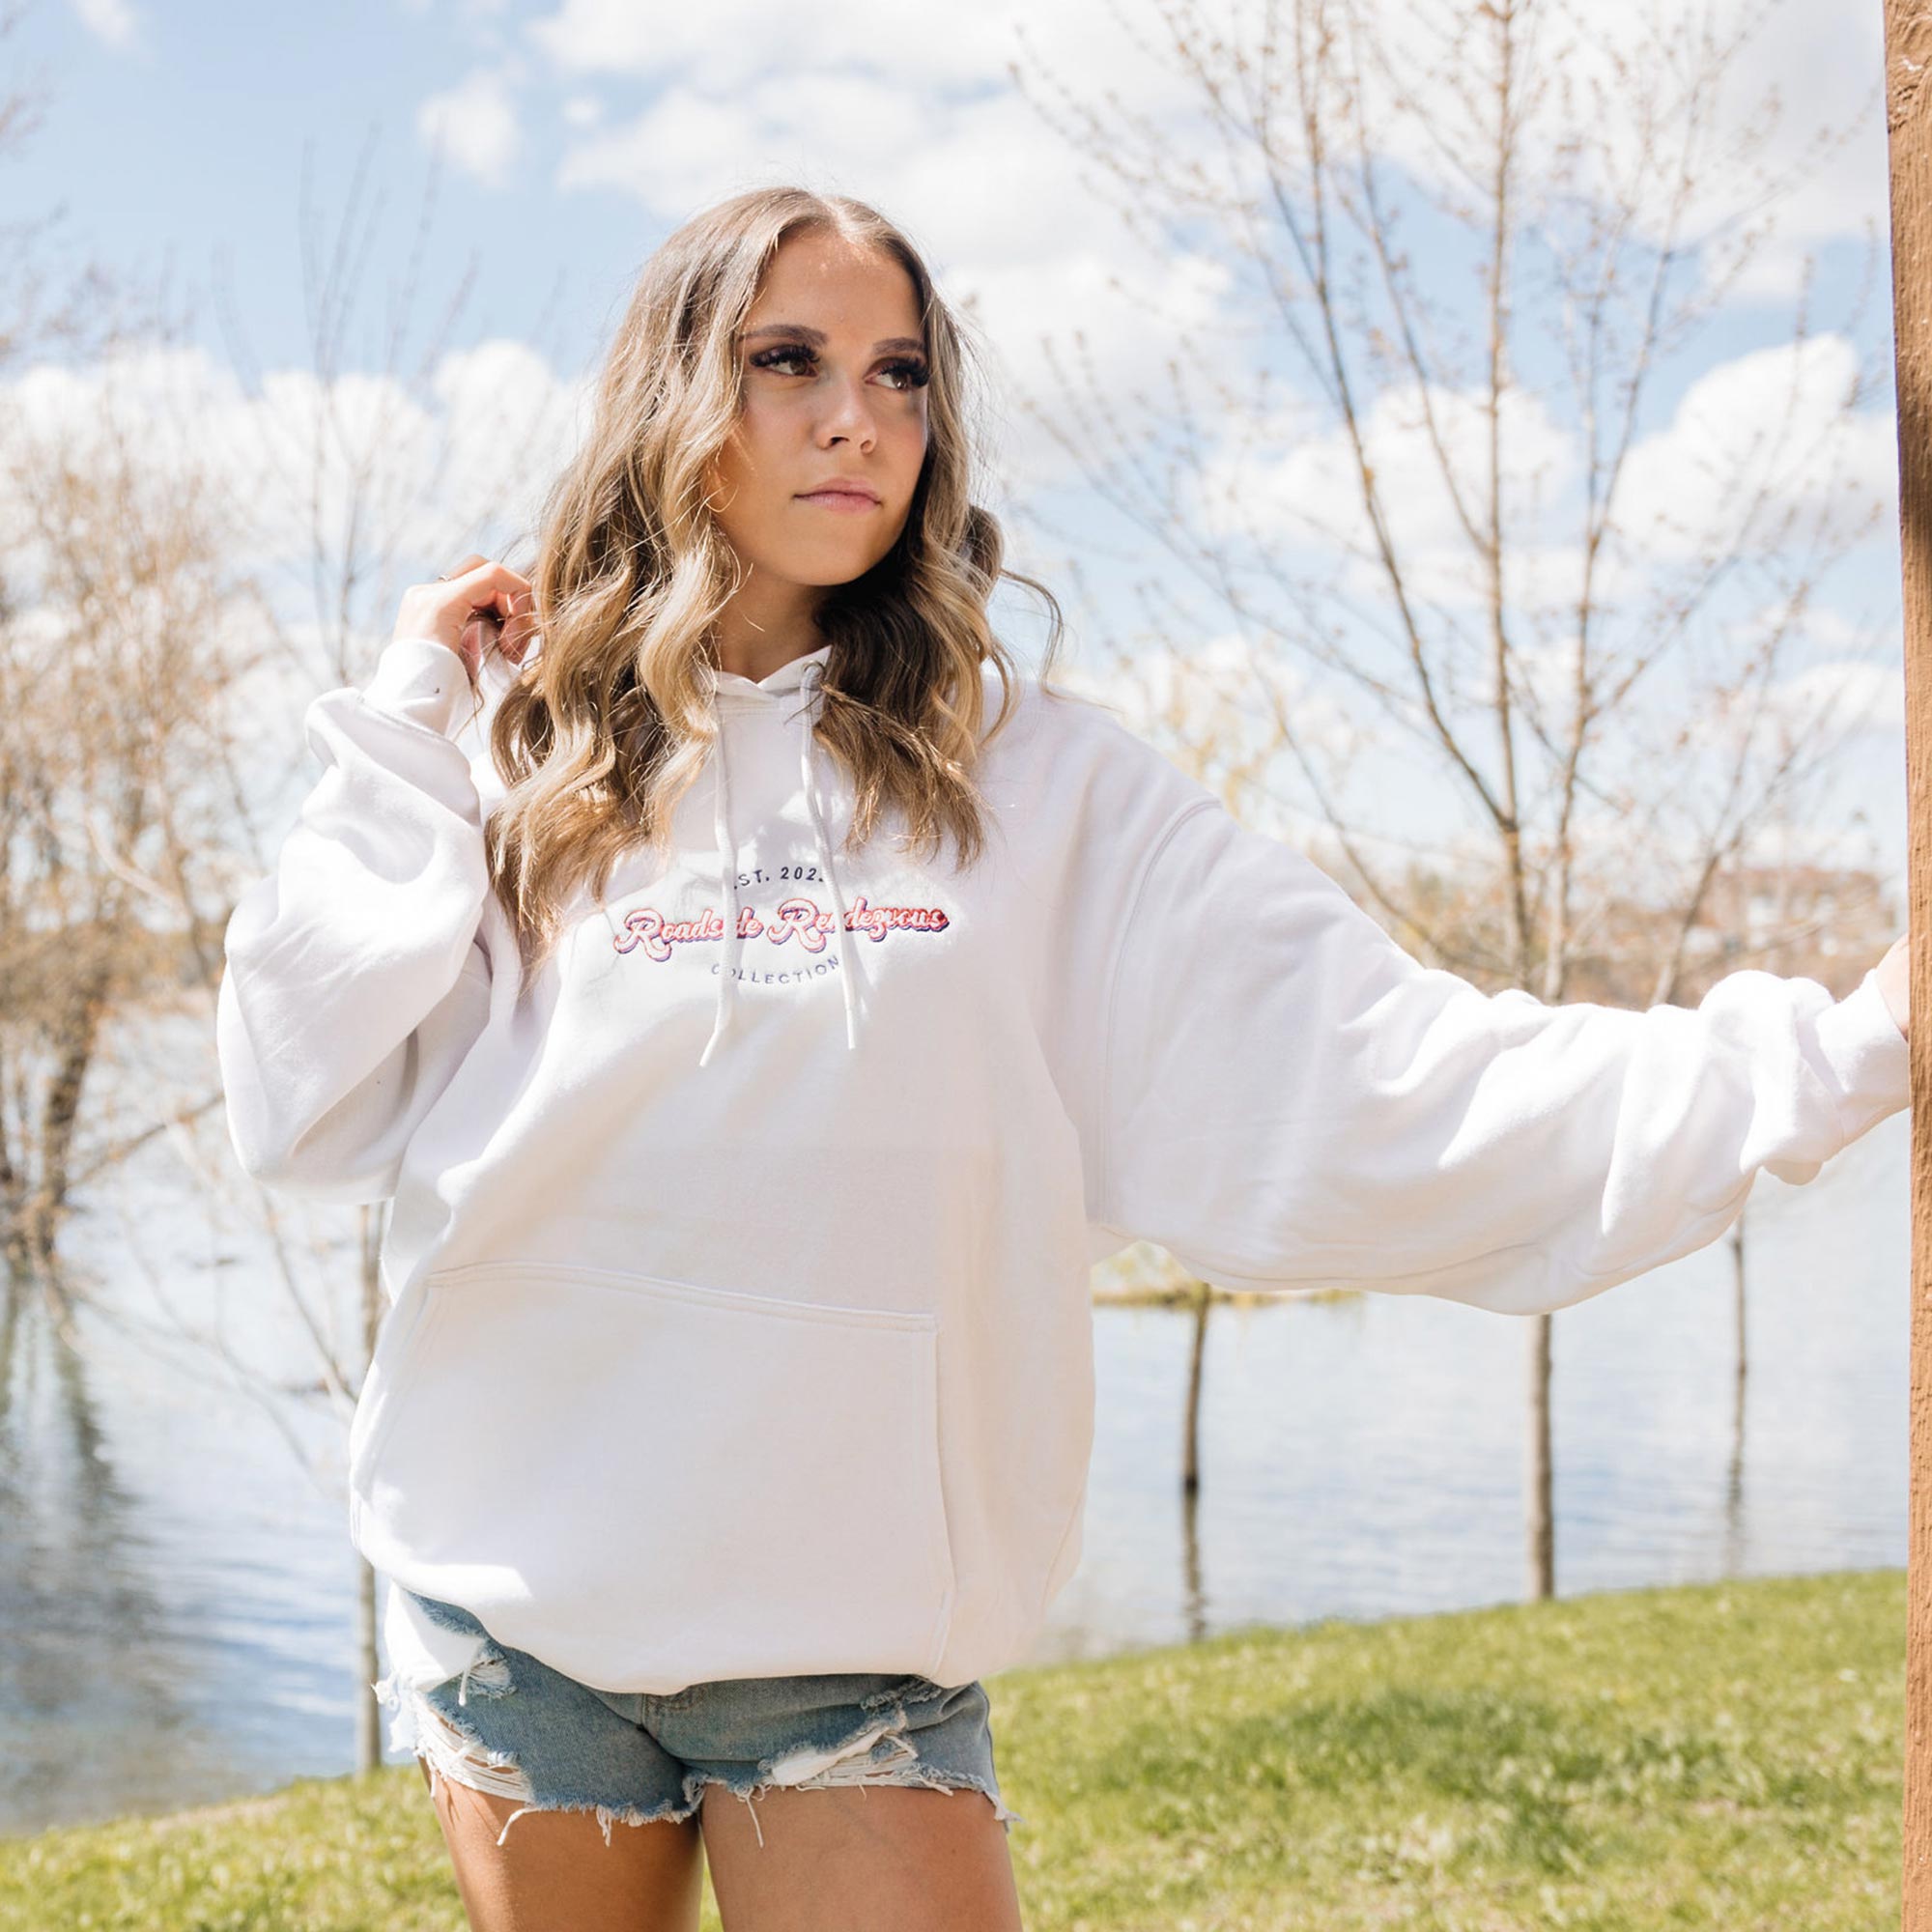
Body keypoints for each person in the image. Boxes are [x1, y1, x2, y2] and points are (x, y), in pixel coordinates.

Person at [213, 185, 1913, 1932]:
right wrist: (407, 721)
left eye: (900, 372)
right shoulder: (521, 753)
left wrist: (1853, 1043)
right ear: (672, 398)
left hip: (852, 1647)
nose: (854, 415)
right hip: (516, 1611)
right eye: (784, 359)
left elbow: (1394, 1070)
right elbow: (302, 1092)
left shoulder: (1036, 787)